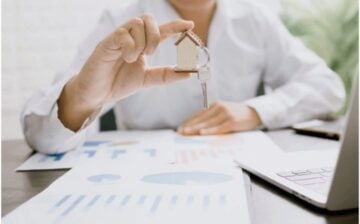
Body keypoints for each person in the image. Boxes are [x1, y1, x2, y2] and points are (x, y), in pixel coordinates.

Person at [21, 0, 345, 154]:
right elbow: (43, 136)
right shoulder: (118, 22)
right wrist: (86, 96)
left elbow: (328, 87)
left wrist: (255, 111)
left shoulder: (256, 18)